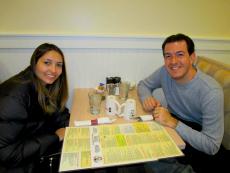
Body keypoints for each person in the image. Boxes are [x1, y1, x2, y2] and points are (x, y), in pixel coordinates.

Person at [137, 33, 225, 172]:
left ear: (192, 58)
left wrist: (173, 122)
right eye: (168, 56)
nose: (173, 61)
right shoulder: (165, 72)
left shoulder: (211, 91)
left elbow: (212, 146)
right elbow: (143, 85)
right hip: (176, 126)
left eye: (180, 54)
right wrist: (146, 98)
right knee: (143, 145)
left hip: (200, 141)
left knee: (151, 158)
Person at [0, 43, 70, 173]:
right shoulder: (15, 96)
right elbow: (6, 154)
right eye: (47, 63)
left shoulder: (45, 83)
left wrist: (74, 126)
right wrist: (55, 137)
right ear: (34, 63)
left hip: (31, 146)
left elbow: (57, 112)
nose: (54, 70)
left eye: (59, 65)